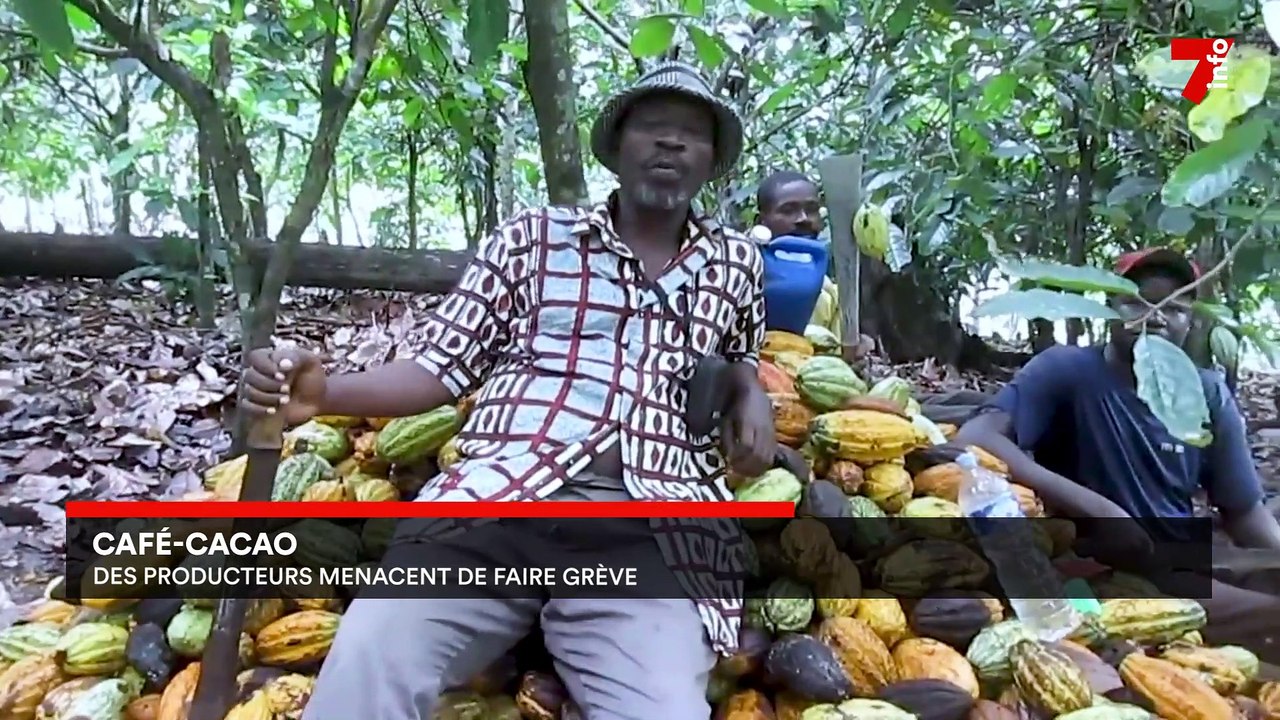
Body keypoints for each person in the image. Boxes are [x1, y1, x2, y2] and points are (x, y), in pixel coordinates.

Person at [240, 62, 775, 719]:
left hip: (648, 527)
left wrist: (750, 390)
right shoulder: (533, 239)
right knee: (370, 662)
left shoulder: (737, 263)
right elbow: (440, 367)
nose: (670, 143)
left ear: (713, 160)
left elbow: (740, 348)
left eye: (690, 134)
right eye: (653, 128)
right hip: (500, 499)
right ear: (617, 147)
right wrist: (325, 393)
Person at [954, 247, 1280, 656]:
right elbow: (977, 436)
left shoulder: (1207, 391)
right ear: (1110, 308)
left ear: (1191, 320)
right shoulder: (1068, 370)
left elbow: (1244, 510)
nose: (1155, 317)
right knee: (1269, 614)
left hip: (1185, 550)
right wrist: (1101, 510)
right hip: (1110, 569)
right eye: (1136, 302)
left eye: (1174, 308)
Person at [750, 169, 841, 341]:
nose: (803, 218)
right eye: (788, 210)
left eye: (812, 210)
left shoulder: (830, 293)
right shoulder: (739, 278)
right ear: (760, 221)